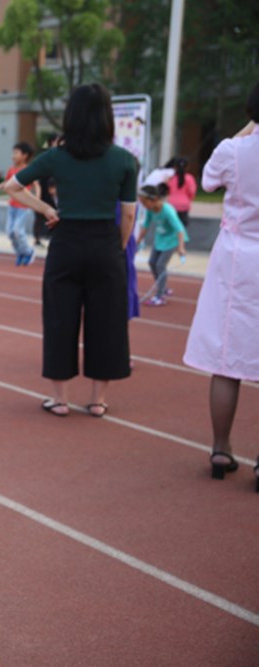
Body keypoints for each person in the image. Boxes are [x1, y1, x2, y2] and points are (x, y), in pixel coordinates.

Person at [5, 83, 138, 418]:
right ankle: (98, 400)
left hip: (66, 243)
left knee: (60, 318)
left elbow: (12, 187)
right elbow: (129, 213)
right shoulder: (124, 160)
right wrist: (118, 246)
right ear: (107, 118)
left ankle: (60, 399)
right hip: (105, 243)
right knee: (106, 321)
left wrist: (47, 210)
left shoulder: (56, 158)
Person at [183, 81, 259, 486]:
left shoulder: (233, 150)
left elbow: (210, 181)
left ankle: (220, 448)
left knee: (227, 361)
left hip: (235, 260)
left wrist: (247, 129)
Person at [135, 183, 188, 306]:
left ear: (153, 200)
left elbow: (180, 230)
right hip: (160, 240)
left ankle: (160, 296)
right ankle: (163, 287)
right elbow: (145, 226)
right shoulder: (150, 210)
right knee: (152, 262)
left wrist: (181, 247)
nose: (143, 205)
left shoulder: (167, 211)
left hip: (172, 240)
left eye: (144, 202)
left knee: (160, 265)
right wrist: (136, 241)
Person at [0, 142, 39, 266]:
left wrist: (36, 202)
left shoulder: (28, 170)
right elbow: (6, 183)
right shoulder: (11, 170)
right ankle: (20, 253)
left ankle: (28, 252)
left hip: (24, 206)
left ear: (25, 155)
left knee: (18, 230)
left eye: (16, 153)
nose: (13, 156)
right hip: (12, 206)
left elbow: (36, 186)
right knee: (9, 232)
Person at [33, 134, 61, 247]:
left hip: (55, 189)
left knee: (56, 215)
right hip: (44, 188)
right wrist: (37, 195)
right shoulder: (46, 156)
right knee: (40, 216)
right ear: (52, 142)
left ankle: (53, 238)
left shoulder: (63, 156)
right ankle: (37, 238)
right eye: (58, 141)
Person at [165, 156, 197, 232]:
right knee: (182, 228)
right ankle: (181, 242)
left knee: (171, 227)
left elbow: (166, 190)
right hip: (184, 205)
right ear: (187, 167)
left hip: (171, 205)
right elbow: (192, 192)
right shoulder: (189, 178)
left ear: (175, 167)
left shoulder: (170, 178)